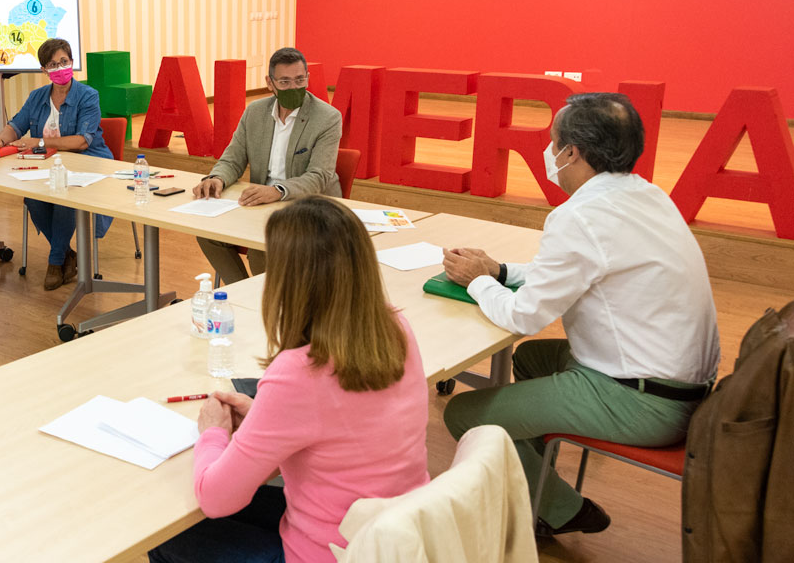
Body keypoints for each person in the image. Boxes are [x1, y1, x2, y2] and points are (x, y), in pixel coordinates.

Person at [441, 92, 720, 536]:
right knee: (531, 359)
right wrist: (501, 270)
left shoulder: (579, 216)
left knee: (463, 414)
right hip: (683, 386)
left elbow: (522, 318)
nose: (550, 153)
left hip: (643, 401)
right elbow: (577, 269)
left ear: (571, 152)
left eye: (553, 143)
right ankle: (527, 481)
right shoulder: (647, 195)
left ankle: (560, 508)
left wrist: (477, 279)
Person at [149, 196, 429, 563]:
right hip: (396, 539)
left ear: (288, 284)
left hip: (331, 554)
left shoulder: (299, 372)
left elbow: (216, 498)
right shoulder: (395, 328)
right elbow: (342, 429)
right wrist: (264, 416)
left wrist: (214, 433)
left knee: (165, 533)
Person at [193, 47, 342, 285]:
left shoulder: (327, 117)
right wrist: (216, 178)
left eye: (299, 80)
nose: (294, 87)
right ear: (270, 83)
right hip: (261, 204)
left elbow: (319, 176)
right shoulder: (254, 112)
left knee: (261, 247)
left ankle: (266, 302)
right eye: (284, 81)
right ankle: (242, 293)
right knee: (208, 234)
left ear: (307, 78)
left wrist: (277, 191)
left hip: (309, 205)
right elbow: (233, 158)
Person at [0, 38, 113, 290]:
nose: (59, 68)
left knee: (64, 198)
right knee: (32, 198)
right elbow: (16, 126)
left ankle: (56, 261)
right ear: (44, 70)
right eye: (52, 64)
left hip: (87, 162)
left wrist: (38, 141)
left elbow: (82, 141)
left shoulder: (88, 96)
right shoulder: (37, 97)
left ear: (72, 62)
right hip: (46, 164)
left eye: (64, 62)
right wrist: (0, 138)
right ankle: (67, 253)